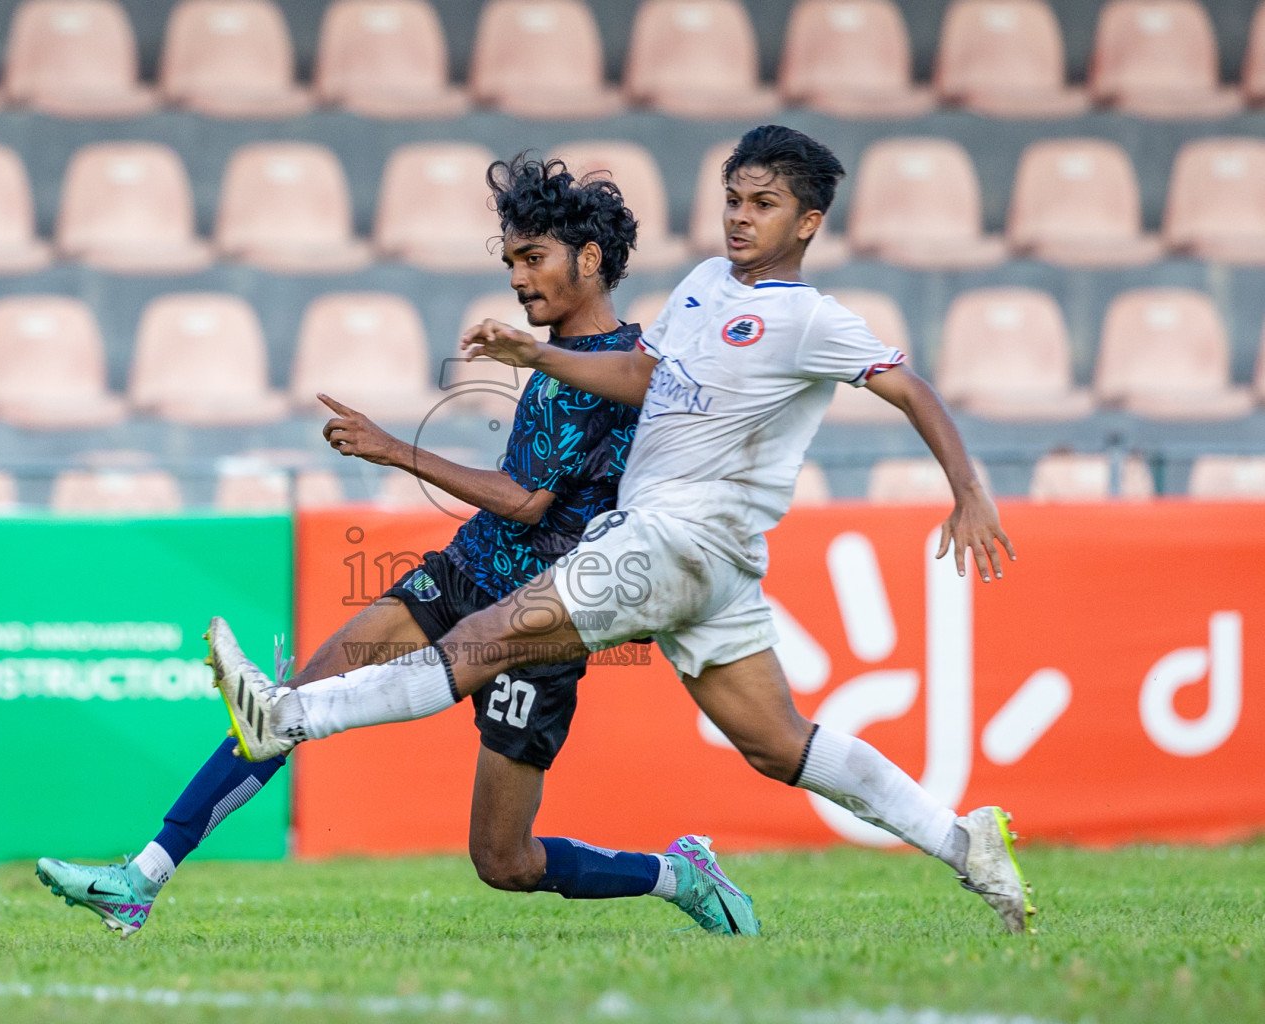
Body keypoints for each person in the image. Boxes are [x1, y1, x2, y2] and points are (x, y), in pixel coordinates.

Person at [215, 125, 1037, 935]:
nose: (739, 217)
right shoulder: (705, 284)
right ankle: (963, 843)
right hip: (707, 563)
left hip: (675, 539)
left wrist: (967, 489)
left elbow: (911, 389)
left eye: (764, 204)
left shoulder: (812, 319)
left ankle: (291, 718)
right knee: (776, 744)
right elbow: (642, 376)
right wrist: (536, 359)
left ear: (808, 223)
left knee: (493, 636)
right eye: (732, 199)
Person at [35, 156, 757, 939]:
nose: (517, 277)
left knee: (503, 862)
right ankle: (139, 879)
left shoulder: (613, 366)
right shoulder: (556, 360)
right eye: (511, 259)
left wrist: (393, 450)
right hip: (464, 572)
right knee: (282, 708)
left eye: (533, 258)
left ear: (589, 260)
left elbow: (525, 499)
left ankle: (677, 875)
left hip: (540, 621)